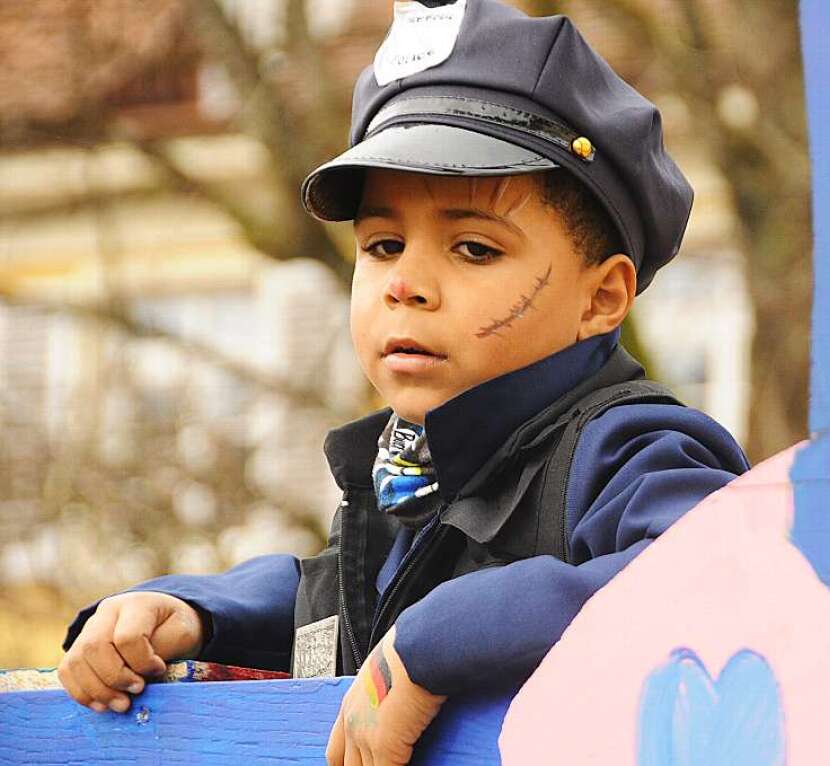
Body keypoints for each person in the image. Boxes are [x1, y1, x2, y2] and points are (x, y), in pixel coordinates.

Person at [57, 1, 749, 763]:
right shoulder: (409, 467)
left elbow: (715, 579)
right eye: (383, 245)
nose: (405, 284)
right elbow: (341, 602)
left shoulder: (629, 445)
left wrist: (435, 642)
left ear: (601, 298)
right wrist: (194, 609)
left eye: (475, 249)